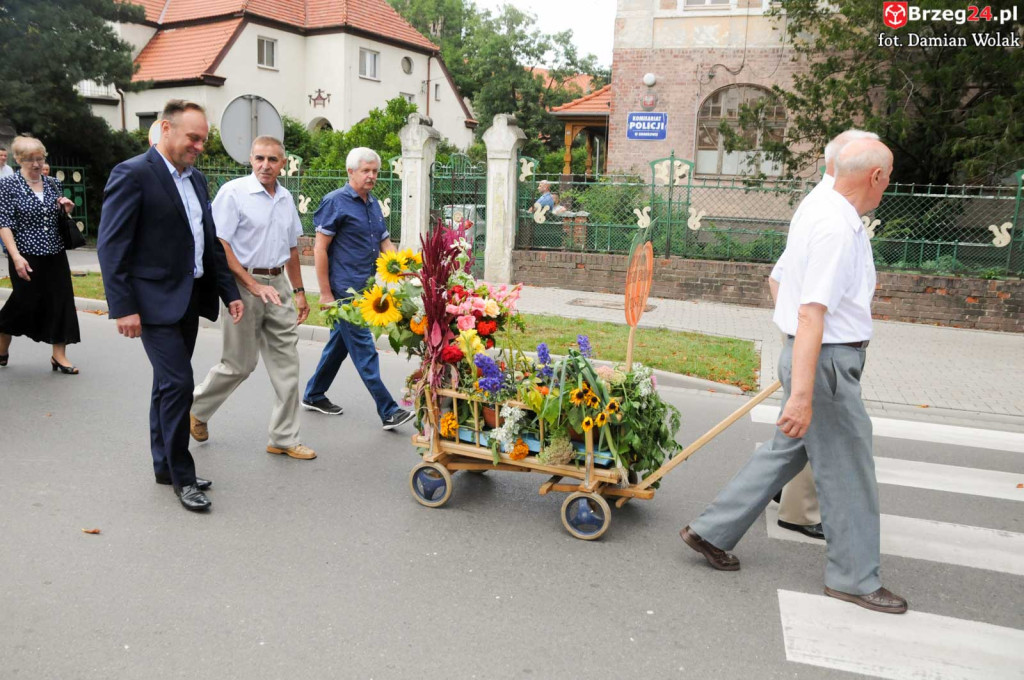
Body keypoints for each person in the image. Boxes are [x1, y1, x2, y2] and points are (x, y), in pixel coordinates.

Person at [680, 139, 908, 615]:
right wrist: (803, 393)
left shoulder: (819, 205)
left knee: (786, 453)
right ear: (875, 177)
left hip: (812, 356)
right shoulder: (835, 227)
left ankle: (710, 530)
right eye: (889, 174)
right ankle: (853, 578)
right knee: (849, 473)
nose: (889, 182)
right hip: (824, 361)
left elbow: (779, 281)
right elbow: (810, 314)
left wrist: (795, 357)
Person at [97, 100, 243, 513]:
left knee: (167, 386)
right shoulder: (133, 174)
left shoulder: (196, 181)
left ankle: (163, 465)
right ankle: (182, 475)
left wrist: (228, 292)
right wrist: (122, 307)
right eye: (192, 137)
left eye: (203, 139)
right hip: (152, 303)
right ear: (165, 129)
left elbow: (208, 242)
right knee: (179, 384)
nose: (199, 146)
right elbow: (112, 246)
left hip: (188, 299)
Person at [768, 129, 879, 540]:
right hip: (821, 344)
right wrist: (800, 336)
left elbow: (780, 279)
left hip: (813, 339)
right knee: (821, 436)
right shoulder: (830, 215)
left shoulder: (828, 209)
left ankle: (716, 528)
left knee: (792, 436)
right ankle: (801, 511)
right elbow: (796, 293)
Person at [190, 136, 316, 461]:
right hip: (242, 284)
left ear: (283, 164)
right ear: (250, 159)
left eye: (272, 159)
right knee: (240, 364)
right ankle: (196, 409)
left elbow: (292, 249)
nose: (265, 165)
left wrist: (299, 292)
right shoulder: (234, 193)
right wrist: (251, 285)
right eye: (259, 158)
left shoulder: (286, 199)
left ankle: (284, 438)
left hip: (279, 285)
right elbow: (221, 245)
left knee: (287, 363)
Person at [302, 147, 414, 430]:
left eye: (375, 171)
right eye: (366, 170)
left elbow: (385, 244)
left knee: (339, 345)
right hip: (344, 292)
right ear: (350, 172)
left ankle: (314, 394)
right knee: (364, 349)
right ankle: (388, 410)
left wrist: (401, 271)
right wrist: (325, 294)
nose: (372, 175)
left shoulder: (373, 203)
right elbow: (320, 249)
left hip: (366, 288)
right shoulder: (335, 202)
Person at [0, 136, 79, 372]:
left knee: (61, 301)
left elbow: (59, 219)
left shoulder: (54, 183)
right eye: (29, 160)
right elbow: (4, 224)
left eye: (39, 158)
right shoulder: (8, 185)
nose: (36, 164)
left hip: (55, 252)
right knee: (24, 302)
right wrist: (15, 257)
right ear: (18, 160)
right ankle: (2, 337)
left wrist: (66, 210)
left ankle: (59, 355)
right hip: (25, 254)